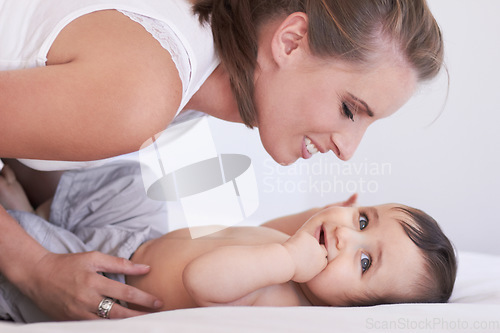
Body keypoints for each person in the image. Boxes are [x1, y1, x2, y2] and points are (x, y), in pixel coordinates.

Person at [0, 0, 445, 321]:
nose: (349, 150)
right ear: (290, 42)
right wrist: (32, 266)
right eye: (350, 109)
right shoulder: (141, 95)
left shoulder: (183, 78)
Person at [0, 162, 456, 322]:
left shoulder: (285, 296)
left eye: (363, 262)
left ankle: (23, 220)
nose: (343, 234)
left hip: (103, 283)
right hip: (138, 239)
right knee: (135, 181)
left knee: (40, 250)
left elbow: (203, 280)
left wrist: (286, 258)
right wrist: (299, 227)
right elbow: (263, 231)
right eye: (362, 220)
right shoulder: (296, 257)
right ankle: (37, 203)